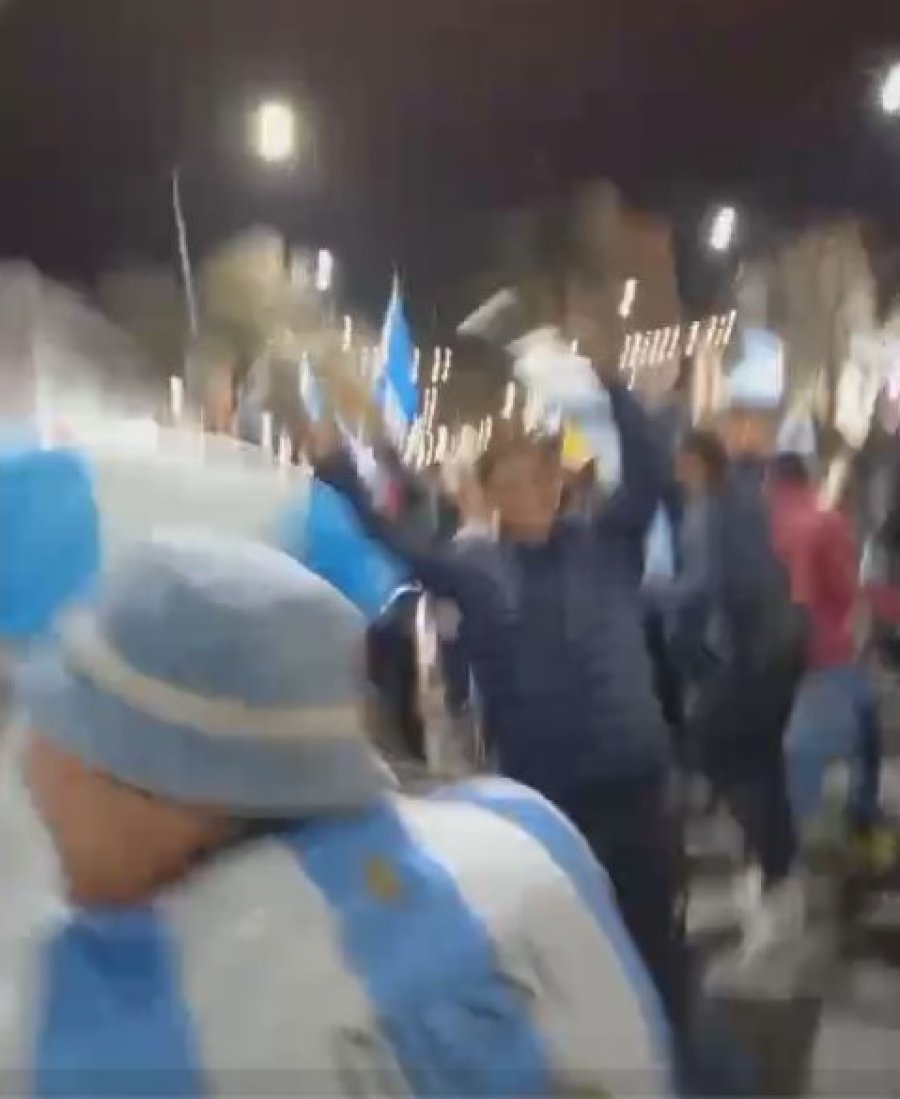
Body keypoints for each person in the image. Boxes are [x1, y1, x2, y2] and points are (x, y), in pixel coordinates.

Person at [3, 533, 672, 1097]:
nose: (31, 772)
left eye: (58, 733)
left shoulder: (93, 1015)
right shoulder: (529, 829)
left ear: (165, 790)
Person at [310, 378, 687, 1027]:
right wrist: (337, 466)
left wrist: (609, 377)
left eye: (542, 478)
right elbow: (393, 535)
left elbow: (651, 468)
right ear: (489, 497)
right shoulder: (475, 573)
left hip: (635, 782)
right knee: (575, 952)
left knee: (659, 946)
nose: (532, 494)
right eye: (513, 483)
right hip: (552, 797)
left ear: (560, 483)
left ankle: (673, 1056)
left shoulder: (610, 545)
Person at [668, 430, 802, 952]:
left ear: (695, 464)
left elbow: (701, 592)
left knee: (726, 762)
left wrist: (660, 599)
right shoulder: (751, 504)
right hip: (776, 658)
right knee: (764, 768)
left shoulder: (708, 515)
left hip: (738, 661)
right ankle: (779, 875)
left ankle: (762, 871)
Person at [768, 452, 887, 858]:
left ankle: (801, 850)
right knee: (845, 745)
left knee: (806, 754)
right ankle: (846, 839)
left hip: (779, 658)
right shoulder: (825, 523)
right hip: (829, 652)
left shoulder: (763, 524)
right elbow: (847, 590)